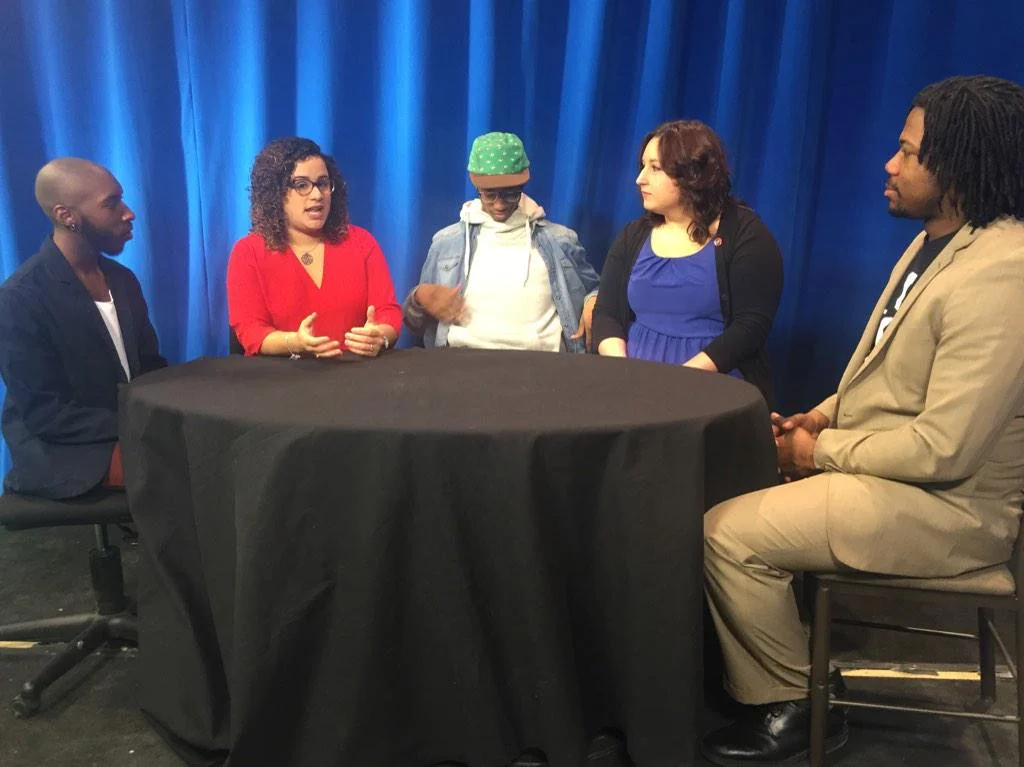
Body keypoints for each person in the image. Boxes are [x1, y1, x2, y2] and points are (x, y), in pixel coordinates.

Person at [701, 75, 1024, 766]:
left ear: (959, 167)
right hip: (896, 479)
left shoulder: (1003, 273)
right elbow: (881, 371)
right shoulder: (938, 242)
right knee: (725, 480)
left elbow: (944, 450)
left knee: (727, 534)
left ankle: (791, 699)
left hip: (951, 509)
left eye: (908, 153)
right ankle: (777, 658)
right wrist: (817, 416)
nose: (889, 163)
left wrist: (818, 451)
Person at [0, 158, 167, 499]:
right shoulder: (19, 298)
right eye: (111, 203)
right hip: (60, 446)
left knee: (207, 448)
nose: (128, 212)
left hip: (123, 426)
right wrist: (138, 425)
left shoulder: (122, 280)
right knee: (172, 468)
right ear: (67, 216)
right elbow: (44, 413)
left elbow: (150, 367)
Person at [592, 120, 783, 403]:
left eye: (655, 168)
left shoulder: (745, 235)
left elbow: (750, 326)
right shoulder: (633, 235)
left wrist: (678, 383)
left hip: (712, 395)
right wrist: (624, 374)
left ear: (692, 174)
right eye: (643, 166)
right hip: (634, 391)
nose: (640, 179)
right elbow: (606, 314)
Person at [402, 131, 600, 352]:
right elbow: (415, 325)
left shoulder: (561, 241)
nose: (499, 205)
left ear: (523, 186)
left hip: (541, 367)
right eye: (490, 195)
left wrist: (594, 300)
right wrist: (419, 298)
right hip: (461, 363)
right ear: (476, 187)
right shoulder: (446, 244)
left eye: (510, 194)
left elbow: (598, 292)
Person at [227, 137, 401, 358]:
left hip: (356, 377)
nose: (317, 195)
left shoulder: (362, 243)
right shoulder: (248, 252)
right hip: (283, 380)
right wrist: (295, 342)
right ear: (275, 193)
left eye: (323, 183)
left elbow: (388, 312)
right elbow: (251, 331)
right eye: (301, 185)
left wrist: (380, 336)